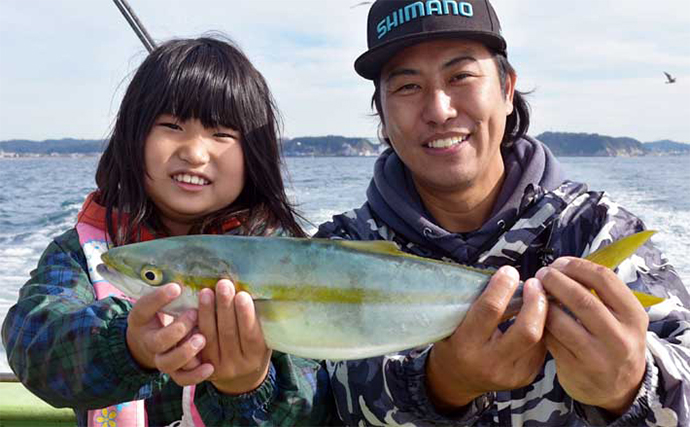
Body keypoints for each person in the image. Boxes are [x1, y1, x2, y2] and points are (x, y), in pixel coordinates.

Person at [315, 0, 690, 425]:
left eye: (461, 76)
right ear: (382, 114)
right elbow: (312, 400)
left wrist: (629, 386)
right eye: (407, 87)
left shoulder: (598, 231)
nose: (439, 110)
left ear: (507, 89)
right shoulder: (333, 254)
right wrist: (443, 385)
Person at [2, 37, 335, 426]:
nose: (195, 152)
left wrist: (248, 385)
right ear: (133, 137)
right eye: (172, 126)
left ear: (254, 154)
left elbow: (316, 395)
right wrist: (129, 345)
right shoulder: (86, 254)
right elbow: (35, 344)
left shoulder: (287, 255)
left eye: (222, 134)